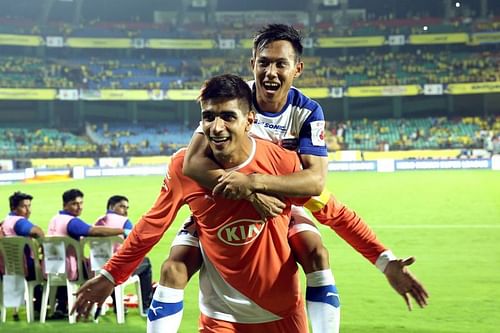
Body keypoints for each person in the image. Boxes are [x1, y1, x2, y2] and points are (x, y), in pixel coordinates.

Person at [72, 74, 427, 332]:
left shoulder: (282, 165)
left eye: (228, 116)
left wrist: (385, 261)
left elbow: (334, 211)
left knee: (315, 247)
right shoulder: (185, 166)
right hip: (220, 317)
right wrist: (111, 275)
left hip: (282, 313)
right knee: (173, 265)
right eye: (209, 117)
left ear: (250, 120)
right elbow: (152, 226)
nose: (217, 126)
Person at [154, 24, 429, 333]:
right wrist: (246, 190)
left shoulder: (308, 111)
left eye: (280, 64)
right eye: (264, 62)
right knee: (173, 266)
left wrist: (254, 183)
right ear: (253, 64)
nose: (270, 72)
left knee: (315, 251)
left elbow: (315, 183)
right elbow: (191, 164)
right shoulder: (232, 99)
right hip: (219, 198)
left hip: (281, 198)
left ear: (297, 68)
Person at [47, 188, 125, 317]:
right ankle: (110, 307)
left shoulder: (54, 219)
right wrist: (121, 231)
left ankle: (61, 306)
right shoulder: (72, 222)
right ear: (65, 205)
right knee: (104, 269)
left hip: (52, 267)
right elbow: (95, 232)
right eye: (74, 204)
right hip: (70, 268)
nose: (79, 207)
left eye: (81, 203)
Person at [94, 195, 153, 315]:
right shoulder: (125, 222)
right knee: (145, 263)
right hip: (117, 268)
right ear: (111, 206)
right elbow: (136, 244)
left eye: (127, 207)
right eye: (121, 206)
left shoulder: (97, 222)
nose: (125, 210)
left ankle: (118, 305)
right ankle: (146, 306)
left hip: (97, 268)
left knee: (108, 264)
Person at [0, 191, 44, 320]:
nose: (28, 210)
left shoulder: (4, 222)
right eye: (24, 206)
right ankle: (51, 307)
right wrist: (44, 245)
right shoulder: (18, 222)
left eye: (29, 206)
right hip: (25, 269)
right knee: (53, 270)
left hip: (7, 269)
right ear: (14, 208)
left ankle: (37, 306)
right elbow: (36, 231)